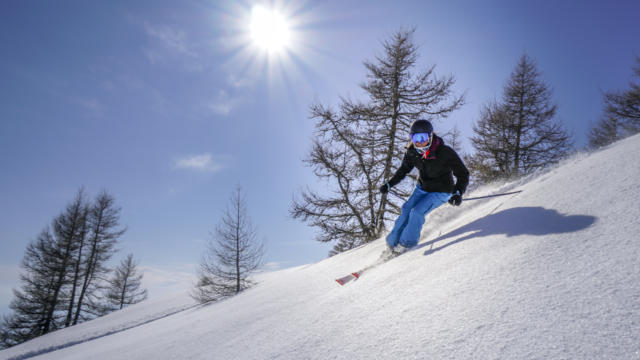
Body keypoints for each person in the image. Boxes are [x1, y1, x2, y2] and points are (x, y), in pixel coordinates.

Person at [379, 119, 469, 255]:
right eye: (415, 138)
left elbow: (463, 173)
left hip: (441, 191)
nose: (419, 142)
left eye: (423, 137)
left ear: (430, 136)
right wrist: (389, 184)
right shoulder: (412, 152)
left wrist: (457, 192)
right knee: (406, 209)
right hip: (422, 188)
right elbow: (403, 170)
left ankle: (406, 244)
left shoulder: (444, 152)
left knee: (417, 212)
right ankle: (392, 244)